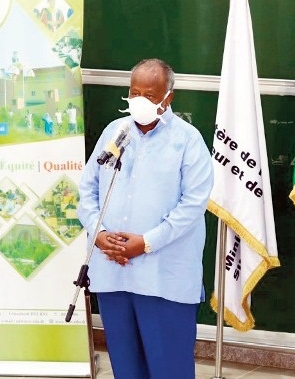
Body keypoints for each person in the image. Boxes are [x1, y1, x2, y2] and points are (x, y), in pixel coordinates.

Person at [78, 58, 213, 378]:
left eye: (149, 96)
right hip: (113, 272)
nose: (139, 101)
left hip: (163, 278)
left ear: (168, 98)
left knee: (169, 368)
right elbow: (88, 188)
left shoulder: (188, 140)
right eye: (134, 92)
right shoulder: (116, 131)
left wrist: (146, 243)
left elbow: (193, 205)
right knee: (126, 368)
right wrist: (98, 232)